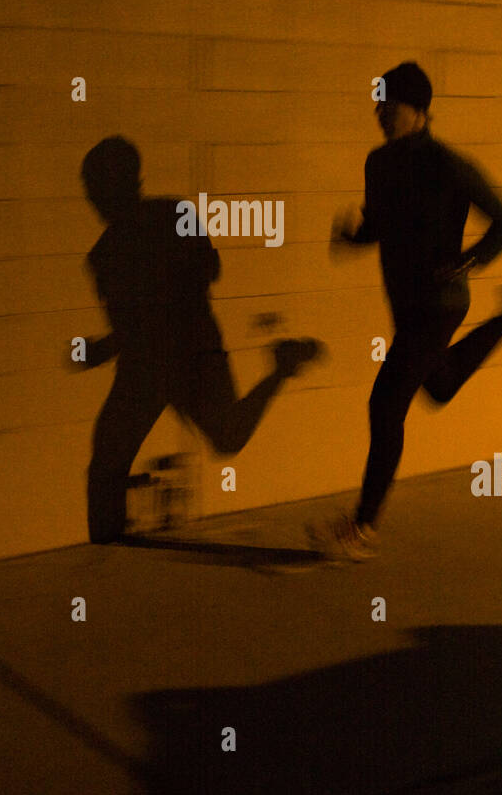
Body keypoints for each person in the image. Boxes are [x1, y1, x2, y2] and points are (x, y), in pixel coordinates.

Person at [310, 61, 502, 561]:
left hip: (439, 304)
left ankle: (363, 527)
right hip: (405, 304)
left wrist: (466, 261)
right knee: (439, 384)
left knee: (384, 406)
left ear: (421, 111)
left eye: (391, 104)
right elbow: (381, 226)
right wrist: (352, 235)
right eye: (378, 103)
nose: (381, 112)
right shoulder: (378, 164)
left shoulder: (449, 165)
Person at [74, 137, 325, 542]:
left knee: (225, 439)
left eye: (93, 186)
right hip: (152, 361)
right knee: (108, 459)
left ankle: (281, 368)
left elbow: (196, 279)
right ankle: (107, 547)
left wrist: (105, 347)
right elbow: (202, 276)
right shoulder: (116, 248)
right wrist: (110, 345)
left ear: (118, 183)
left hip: (190, 353)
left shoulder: (161, 222)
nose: (90, 198)